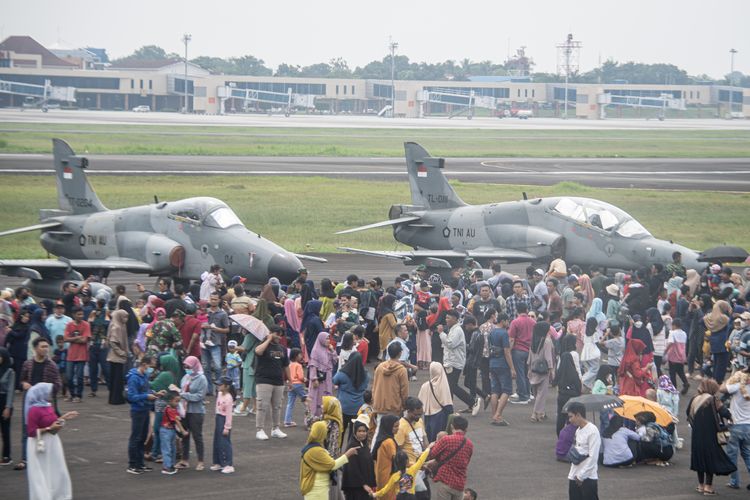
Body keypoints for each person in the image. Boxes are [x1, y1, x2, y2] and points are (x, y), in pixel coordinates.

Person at [25, 382, 78, 500]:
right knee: (42, 471)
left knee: (56, 470)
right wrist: (49, 428)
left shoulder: (48, 405)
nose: (50, 394)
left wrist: (63, 417)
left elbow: (52, 422)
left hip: (52, 443)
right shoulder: (33, 410)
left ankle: (57, 494)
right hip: (39, 444)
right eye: (47, 391)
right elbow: (31, 432)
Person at [17, 336, 62, 472]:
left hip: (44, 404)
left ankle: (44, 456)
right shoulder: (28, 364)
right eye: (42, 346)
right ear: (35, 348)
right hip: (29, 402)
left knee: (47, 430)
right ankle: (25, 458)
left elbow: (58, 384)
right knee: (27, 430)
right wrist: (24, 384)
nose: (45, 349)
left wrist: (47, 390)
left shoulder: (51, 365)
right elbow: (21, 380)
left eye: (47, 346)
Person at [687, 379, 736, 495]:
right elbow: (724, 412)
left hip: (697, 434)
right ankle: (708, 487)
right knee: (710, 458)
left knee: (699, 457)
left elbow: (687, 413)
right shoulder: (713, 399)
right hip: (710, 434)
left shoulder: (694, 399)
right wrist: (730, 418)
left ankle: (700, 485)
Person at [300, 421, 359, 500]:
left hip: (318, 488)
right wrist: (348, 454)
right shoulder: (316, 450)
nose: (326, 433)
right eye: (325, 431)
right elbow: (332, 465)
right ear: (321, 433)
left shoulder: (313, 447)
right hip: (317, 490)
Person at [126, 355, 163, 474]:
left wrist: (155, 393)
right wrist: (146, 396)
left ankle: (140, 463)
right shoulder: (133, 378)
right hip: (137, 411)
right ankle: (132, 464)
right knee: (135, 438)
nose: (151, 369)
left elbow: (146, 390)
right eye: (150, 366)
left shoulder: (144, 376)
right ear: (144, 365)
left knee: (142, 438)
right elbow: (131, 396)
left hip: (145, 409)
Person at [254, 326, 291, 440]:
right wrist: (268, 339)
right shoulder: (263, 345)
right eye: (277, 334)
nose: (278, 337)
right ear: (270, 333)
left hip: (278, 381)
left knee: (277, 406)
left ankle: (276, 428)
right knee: (262, 406)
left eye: (280, 335)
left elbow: (286, 365)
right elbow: (258, 351)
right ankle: (259, 429)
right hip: (264, 380)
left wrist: (290, 380)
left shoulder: (282, 348)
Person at [425, 415, 474, 500]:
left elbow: (432, 454)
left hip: (446, 480)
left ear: (452, 426)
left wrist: (431, 446)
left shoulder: (446, 440)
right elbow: (466, 462)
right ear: (466, 429)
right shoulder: (470, 445)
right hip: (460, 484)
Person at [439, 310, 479, 413]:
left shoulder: (457, 330)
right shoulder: (453, 329)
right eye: (446, 317)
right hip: (451, 361)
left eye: (449, 318)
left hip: (454, 362)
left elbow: (450, 344)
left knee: (451, 386)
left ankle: (472, 401)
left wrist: (441, 334)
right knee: (450, 386)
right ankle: (448, 408)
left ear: (455, 319)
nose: (446, 320)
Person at [176, 355, 208, 471]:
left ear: (194, 366)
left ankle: (200, 461)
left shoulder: (202, 379)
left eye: (188, 366)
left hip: (196, 411)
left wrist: (183, 394)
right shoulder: (185, 377)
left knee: (197, 436)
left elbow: (199, 396)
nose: (186, 368)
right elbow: (181, 390)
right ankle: (184, 460)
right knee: (185, 435)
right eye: (185, 366)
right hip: (185, 411)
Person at [394, 396, 429, 498]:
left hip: (422, 467)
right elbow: (398, 450)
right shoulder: (401, 426)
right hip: (410, 470)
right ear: (408, 411)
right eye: (416, 414)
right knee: (417, 495)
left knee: (424, 495)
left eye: (421, 414)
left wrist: (427, 455)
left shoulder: (420, 421)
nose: (419, 416)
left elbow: (424, 439)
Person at [721, 371, 750, 490]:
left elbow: (722, 388)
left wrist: (733, 378)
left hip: (736, 425)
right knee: (748, 454)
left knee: (732, 456)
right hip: (748, 426)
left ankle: (734, 481)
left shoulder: (737, 387)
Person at [566, 402, 600, 500]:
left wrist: (581, 476)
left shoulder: (593, 431)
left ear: (578, 415)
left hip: (587, 477)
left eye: (571, 416)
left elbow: (593, 457)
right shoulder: (578, 430)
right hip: (575, 475)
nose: (570, 420)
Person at [334, 351, 369, 438]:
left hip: (343, 406)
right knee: (353, 434)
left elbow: (334, 380)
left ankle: (338, 450)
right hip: (358, 407)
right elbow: (365, 386)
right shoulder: (365, 375)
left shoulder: (343, 374)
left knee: (340, 432)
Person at [373, 342, 410, 421]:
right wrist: (404, 405)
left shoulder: (380, 367)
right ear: (400, 353)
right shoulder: (401, 370)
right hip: (394, 407)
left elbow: (374, 386)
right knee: (394, 430)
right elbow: (404, 391)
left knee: (381, 430)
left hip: (380, 406)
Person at [342, 416, 377, 500]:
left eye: (364, 431)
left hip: (365, 488)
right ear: (354, 432)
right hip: (356, 489)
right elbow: (352, 469)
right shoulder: (353, 446)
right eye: (359, 431)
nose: (362, 433)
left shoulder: (363, 445)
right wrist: (363, 484)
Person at [62, 306, 90, 403]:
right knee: (69, 376)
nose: (81, 316)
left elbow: (84, 339)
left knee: (79, 376)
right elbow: (65, 338)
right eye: (78, 314)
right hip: (71, 355)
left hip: (82, 355)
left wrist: (72, 338)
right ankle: (72, 394)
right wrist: (77, 338)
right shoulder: (69, 325)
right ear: (73, 315)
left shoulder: (86, 324)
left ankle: (78, 395)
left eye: (82, 314)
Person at [528, 321, 555, 422]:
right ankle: (535, 413)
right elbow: (548, 357)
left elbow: (530, 356)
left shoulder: (533, 340)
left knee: (536, 392)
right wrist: (551, 370)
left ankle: (541, 413)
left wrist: (529, 369)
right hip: (543, 369)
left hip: (533, 368)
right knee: (541, 393)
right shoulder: (547, 341)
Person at [556, 335, 582, 435]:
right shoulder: (574, 354)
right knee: (573, 415)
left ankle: (560, 435)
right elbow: (577, 368)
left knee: (561, 415)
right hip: (573, 392)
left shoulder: (562, 354)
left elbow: (559, 369)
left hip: (562, 392)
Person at [308, 331, 338, 420]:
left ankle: (324, 417)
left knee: (326, 396)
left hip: (327, 378)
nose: (328, 340)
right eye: (326, 338)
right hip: (318, 379)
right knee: (316, 397)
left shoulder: (328, 350)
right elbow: (313, 366)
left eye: (329, 338)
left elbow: (335, 360)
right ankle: (313, 418)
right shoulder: (315, 350)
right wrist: (314, 379)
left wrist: (332, 350)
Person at [159, 390, 187, 475]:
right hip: (166, 431)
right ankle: (167, 467)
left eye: (179, 401)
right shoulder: (169, 409)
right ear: (170, 400)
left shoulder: (173, 409)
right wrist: (183, 431)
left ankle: (170, 465)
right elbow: (176, 421)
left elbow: (177, 418)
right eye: (176, 401)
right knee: (167, 449)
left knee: (172, 448)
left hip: (170, 431)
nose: (178, 403)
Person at [210, 376, 235, 473]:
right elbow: (217, 407)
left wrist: (227, 427)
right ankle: (218, 462)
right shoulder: (219, 394)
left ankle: (228, 464)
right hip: (219, 418)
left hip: (224, 420)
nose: (218, 386)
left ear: (226, 386)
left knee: (225, 442)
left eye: (220, 384)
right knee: (217, 441)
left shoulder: (229, 398)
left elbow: (229, 414)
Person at [373, 414, 400, 500]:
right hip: (388, 478)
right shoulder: (389, 442)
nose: (398, 428)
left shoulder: (382, 438)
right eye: (395, 426)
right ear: (388, 426)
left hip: (380, 476)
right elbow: (397, 459)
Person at [106, 309, 130, 405]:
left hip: (115, 356)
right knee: (117, 379)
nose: (126, 319)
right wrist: (122, 353)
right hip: (116, 357)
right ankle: (116, 399)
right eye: (124, 317)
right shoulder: (117, 327)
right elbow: (113, 342)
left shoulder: (120, 325)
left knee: (115, 378)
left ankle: (114, 398)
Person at [285, 348, 309, 428]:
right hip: (298, 385)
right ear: (296, 356)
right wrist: (305, 379)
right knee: (307, 401)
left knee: (290, 403)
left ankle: (287, 421)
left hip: (290, 384)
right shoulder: (298, 365)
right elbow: (301, 377)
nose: (301, 356)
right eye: (300, 354)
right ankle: (309, 419)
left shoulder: (289, 364)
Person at [664, 318, 689, 394]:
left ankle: (673, 389)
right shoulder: (684, 333)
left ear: (674, 325)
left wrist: (665, 351)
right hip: (682, 356)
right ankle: (686, 383)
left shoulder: (673, 333)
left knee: (672, 373)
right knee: (680, 372)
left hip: (673, 356)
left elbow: (671, 342)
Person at [0, 347, 15, 465]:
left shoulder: (10, 372)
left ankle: (6, 456)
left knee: (5, 430)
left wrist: (8, 407)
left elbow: (10, 390)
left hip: (4, 401)